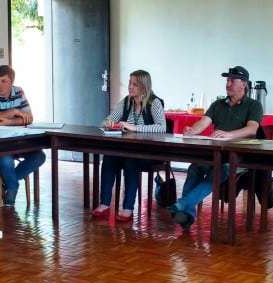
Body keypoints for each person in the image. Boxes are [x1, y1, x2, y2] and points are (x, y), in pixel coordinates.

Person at [168, 66, 263, 228]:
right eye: (227, 80)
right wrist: (191, 131)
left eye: (232, 80)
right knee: (195, 168)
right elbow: (204, 122)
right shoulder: (218, 104)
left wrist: (228, 134)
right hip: (216, 154)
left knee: (220, 170)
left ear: (244, 84)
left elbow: (252, 129)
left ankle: (183, 205)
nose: (228, 83)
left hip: (238, 158)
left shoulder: (253, 105)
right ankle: (187, 214)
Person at [91, 70, 167, 221]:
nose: (130, 87)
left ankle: (127, 208)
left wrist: (135, 127)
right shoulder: (126, 101)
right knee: (109, 158)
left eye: (134, 84)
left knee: (131, 160)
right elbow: (107, 120)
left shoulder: (154, 102)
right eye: (130, 83)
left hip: (149, 153)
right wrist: (109, 123)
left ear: (144, 87)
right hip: (127, 149)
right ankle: (105, 204)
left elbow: (162, 127)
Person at [0, 65, 46, 206]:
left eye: (4, 81)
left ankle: (6, 184)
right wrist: (14, 111)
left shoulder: (19, 92)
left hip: (16, 140)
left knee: (39, 156)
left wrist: (7, 121)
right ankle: (12, 188)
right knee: (5, 159)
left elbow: (29, 118)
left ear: (11, 82)